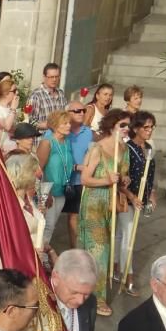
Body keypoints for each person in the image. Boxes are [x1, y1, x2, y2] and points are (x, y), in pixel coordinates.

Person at [78, 108, 130, 316]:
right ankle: (97, 297)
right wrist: (107, 181)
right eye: (122, 125)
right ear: (111, 126)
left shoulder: (123, 149)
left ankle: (84, 287)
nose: (126, 129)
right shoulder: (97, 149)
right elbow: (85, 179)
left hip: (110, 206)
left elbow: (122, 177)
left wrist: (125, 180)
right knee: (100, 251)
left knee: (100, 249)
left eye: (128, 125)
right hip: (93, 204)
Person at [0, 154, 47, 279]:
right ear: (24, 175)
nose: (37, 176)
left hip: (31, 266)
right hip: (8, 272)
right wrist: (30, 253)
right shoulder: (6, 206)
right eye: (33, 172)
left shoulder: (27, 199)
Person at [117, 110, 157, 296]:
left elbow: (150, 175)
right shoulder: (127, 148)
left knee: (122, 235)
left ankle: (117, 268)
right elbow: (121, 178)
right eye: (146, 127)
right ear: (136, 128)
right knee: (128, 238)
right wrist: (132, 196)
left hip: (141, 199)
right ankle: (128, 277)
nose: (149, 130)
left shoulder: (148, 147)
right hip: (127, 199)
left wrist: (153, 193)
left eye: (151, 127)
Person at [36, 109, 73, 247]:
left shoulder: (67, 142)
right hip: (48, 190)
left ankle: (42, 251)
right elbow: (38, 170)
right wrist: (46, 192)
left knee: (52, 225)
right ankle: (41, 255)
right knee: (47, 225)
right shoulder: (47, 143)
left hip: (62, 190)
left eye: (69, 122)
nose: (69, 125)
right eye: (64, 123)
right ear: (54, 125)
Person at [64, 100, 94, 248]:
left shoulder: (87, 132)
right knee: (50, 218)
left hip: (79, 181)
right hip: (60, 180)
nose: (82, 113)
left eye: (83, 110)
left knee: (74, 215)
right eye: (77, 111)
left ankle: (74, 248)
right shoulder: (59, 129)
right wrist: (75, 166)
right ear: (68, 113)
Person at [28, 63, 66, 131]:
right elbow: (30, 121)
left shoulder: (61, 93)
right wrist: (48, 125)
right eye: (51, 77)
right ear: (44, 77)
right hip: (43, 138)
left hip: (59, 138)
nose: (54, 80)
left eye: (56, 76)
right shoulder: (36, 96)